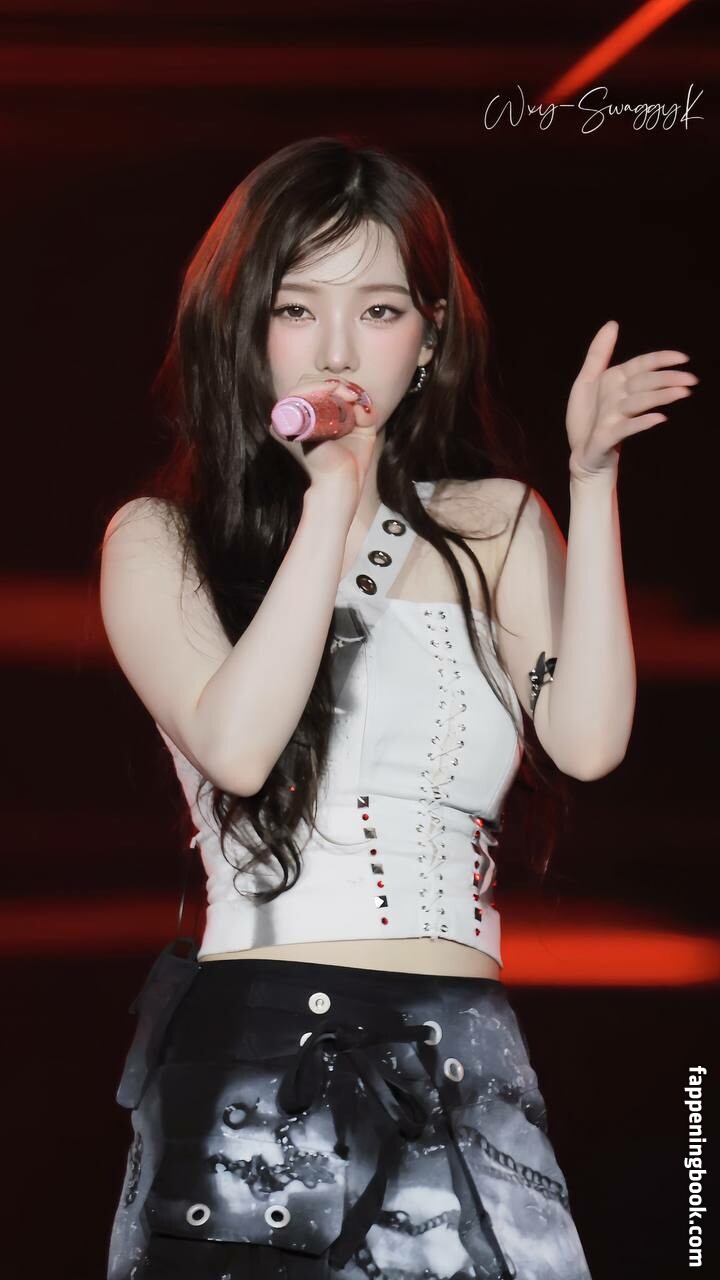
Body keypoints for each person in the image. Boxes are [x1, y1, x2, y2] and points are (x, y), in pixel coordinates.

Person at [99, 135, 696, 1280]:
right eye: (296, 307)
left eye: (377, 309)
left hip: (467, 1050)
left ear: (428, 339)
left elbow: (588, 738)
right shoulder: (160, 540)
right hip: (264, 1054)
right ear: (244, 328)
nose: (336, 347)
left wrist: (592, 481)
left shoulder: (495, 523)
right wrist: (335, 500)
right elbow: (238, 748)